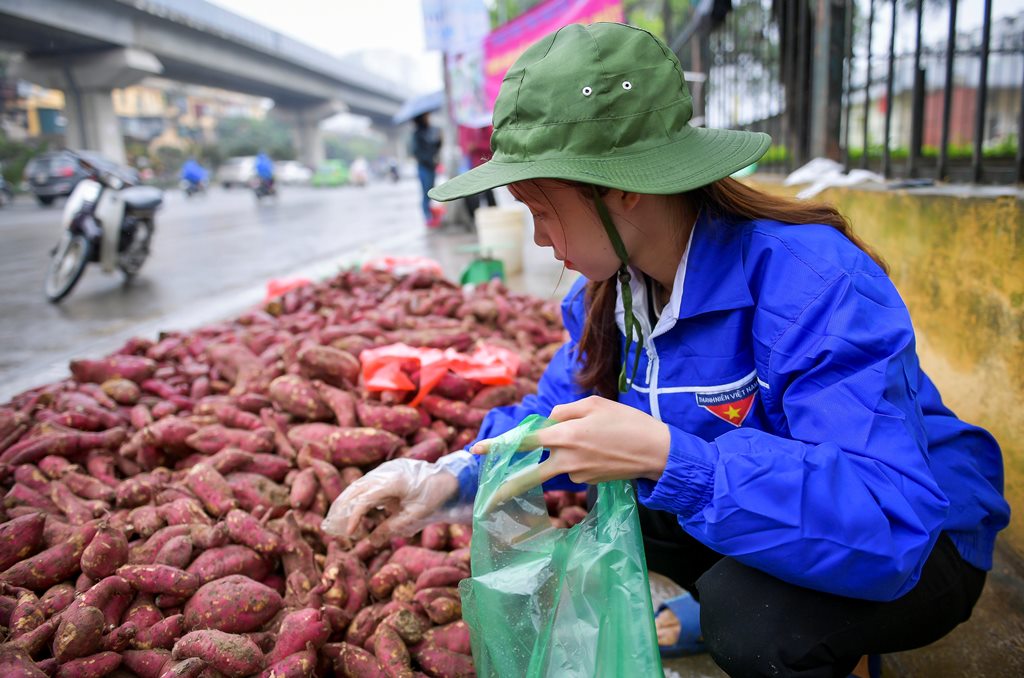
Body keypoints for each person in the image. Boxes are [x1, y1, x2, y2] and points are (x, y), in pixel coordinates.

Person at [331, 23, 1009, 678]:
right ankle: (703, 602)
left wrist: (672, 459)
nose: (540, 241)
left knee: (751, 624)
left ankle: (758, 624)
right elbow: (559, 416)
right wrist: (449, 477)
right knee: (621, 513)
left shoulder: (812, 282)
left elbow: (888, 519)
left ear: (624, 187)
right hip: (781, 508)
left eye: (543, 210)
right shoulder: (611, 295)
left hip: (924, 540)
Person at [410, 112, 443, 227]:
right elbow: (417, 152)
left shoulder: (429, 131)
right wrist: (430, 160)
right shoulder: (417, 134)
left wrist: (439, 141)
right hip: (424, 168)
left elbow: (434, 147)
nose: (428, 118)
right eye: (426, 117)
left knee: (432, 191)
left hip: (432, 167)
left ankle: (432, 215)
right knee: (426, 193)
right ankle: (427, 217)